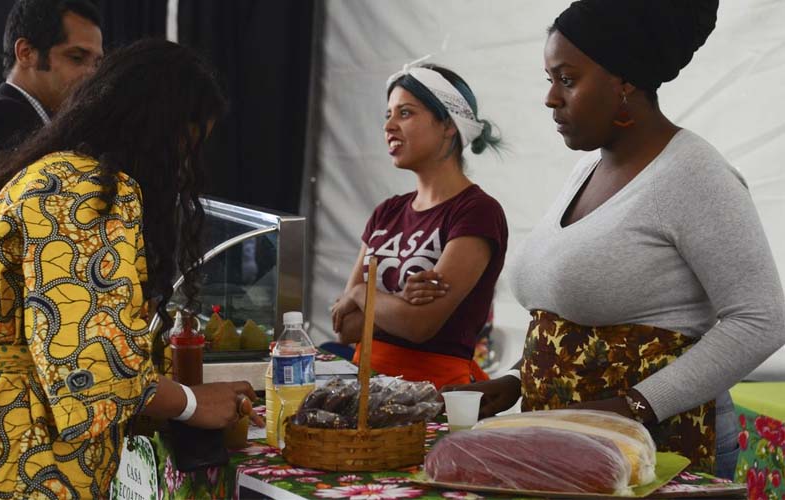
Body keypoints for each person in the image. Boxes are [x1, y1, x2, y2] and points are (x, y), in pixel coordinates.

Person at [444, 0, 785, 480]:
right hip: (572, 446)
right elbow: (579, 318)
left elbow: (762, 319)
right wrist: (516, 379)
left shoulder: (694, 175)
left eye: (567, 79)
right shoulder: (589, 168)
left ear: (624, 81)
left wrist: (636, 406)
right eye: (550, 79)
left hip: (656, 451)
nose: (550, 99)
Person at [0, 39, 259, 499]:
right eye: (187, 147)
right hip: (14, 460)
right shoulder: (88, 191)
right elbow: (88, 362)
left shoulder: (44, 176)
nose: (184, 168)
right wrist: (191, 402)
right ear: (161, 130)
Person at [331, 61, 507, 389]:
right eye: (388, 115)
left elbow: (419, 326)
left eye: (406, 113)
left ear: (449, 125)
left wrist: (359, 293)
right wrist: (398, 301)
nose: (389, 126)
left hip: (432, 394)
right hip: (365, 385)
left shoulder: (477, 212)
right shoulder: (387, 212)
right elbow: (346, 327)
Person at [0, 0, 103, 202]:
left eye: (96, 63)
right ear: (26, 53)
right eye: (77, 58)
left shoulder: (6, 117)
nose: (92, 74)